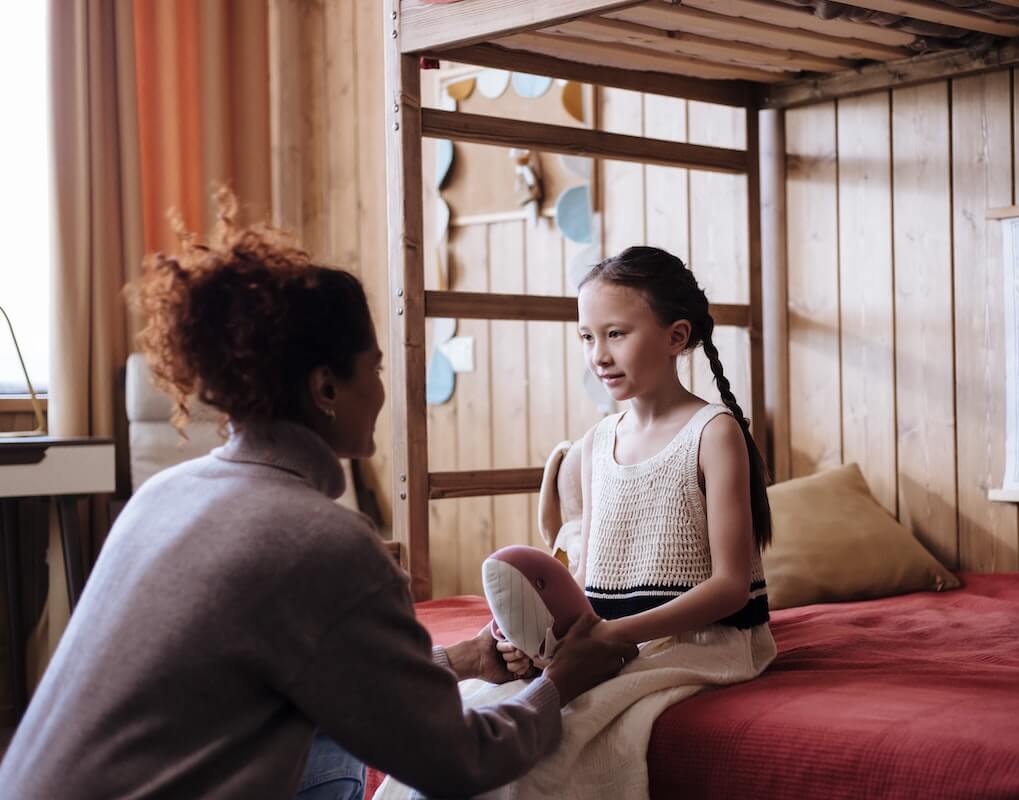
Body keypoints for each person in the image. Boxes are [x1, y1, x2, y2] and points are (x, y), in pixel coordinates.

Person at [0, 192, 635, 800]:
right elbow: (461, 760)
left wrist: (465, 659)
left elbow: (307, 670)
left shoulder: (166, 495)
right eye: (376, 368)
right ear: (326, 388)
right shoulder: (322, 541)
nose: (384, 393)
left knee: (334, 735)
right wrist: (559, 682)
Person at [378, 246, 777, 800]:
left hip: (697, 641)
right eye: (587, 337)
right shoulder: (593, 446)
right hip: (611, 638)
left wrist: (613, 635)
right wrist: (541, 643)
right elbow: (586, 586)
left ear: (676, 336)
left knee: (560, 741)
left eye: (616, 334)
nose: (598, 354)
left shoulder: (714, 432)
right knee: (462, 720)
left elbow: (732, 588)